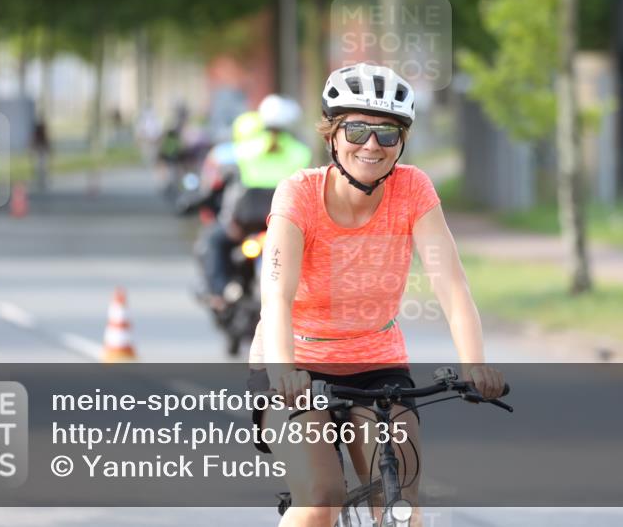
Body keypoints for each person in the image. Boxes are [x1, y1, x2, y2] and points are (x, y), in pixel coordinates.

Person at [247, 63, 505, 527]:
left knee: (401, 504)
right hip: (295, 359)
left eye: (387, 135)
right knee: (320, 500)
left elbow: (450, 283)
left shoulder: (412, 189)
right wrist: (284, 372)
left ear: (401, 142)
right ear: (331, 135)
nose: (371, 145)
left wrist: (474, 362)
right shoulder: (298, 193)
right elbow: (276, 293)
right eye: (357, 130)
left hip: (377, 363)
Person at [202, 95, 311, 313]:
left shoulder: (245, 148)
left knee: (213, 241)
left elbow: (216, 160)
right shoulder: (301, 152)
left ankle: (220, 293)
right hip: (285, 224)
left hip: (245, 224)